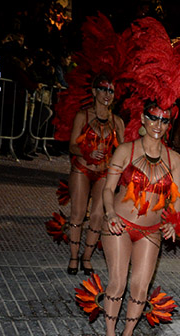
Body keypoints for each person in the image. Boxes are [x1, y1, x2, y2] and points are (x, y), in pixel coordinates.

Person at [100, 101, 180, 336]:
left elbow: (178, 199)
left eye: (165, 120)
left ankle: (127, 334)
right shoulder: (126, 151)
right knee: (118, 282)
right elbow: (107, 188)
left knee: (140, 287)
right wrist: (110, 213)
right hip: (120, 226)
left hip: (151, 230)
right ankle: (110, 334)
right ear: (143, 119)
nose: (159, 125)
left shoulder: (175, 159)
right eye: (154, 118)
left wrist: (174, 220)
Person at [65, 73, 124, 275]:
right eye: (103, 89)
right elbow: (72, 145)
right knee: (78, 213)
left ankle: (86, 258)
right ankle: (73, 256)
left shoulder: (117, 122)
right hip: (82, 169)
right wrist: (87, 152)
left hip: (104, 173)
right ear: (93, 92)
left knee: (99, 215)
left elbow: (123, 151)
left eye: (111, 90)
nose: (107, 94)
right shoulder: (83, 116)